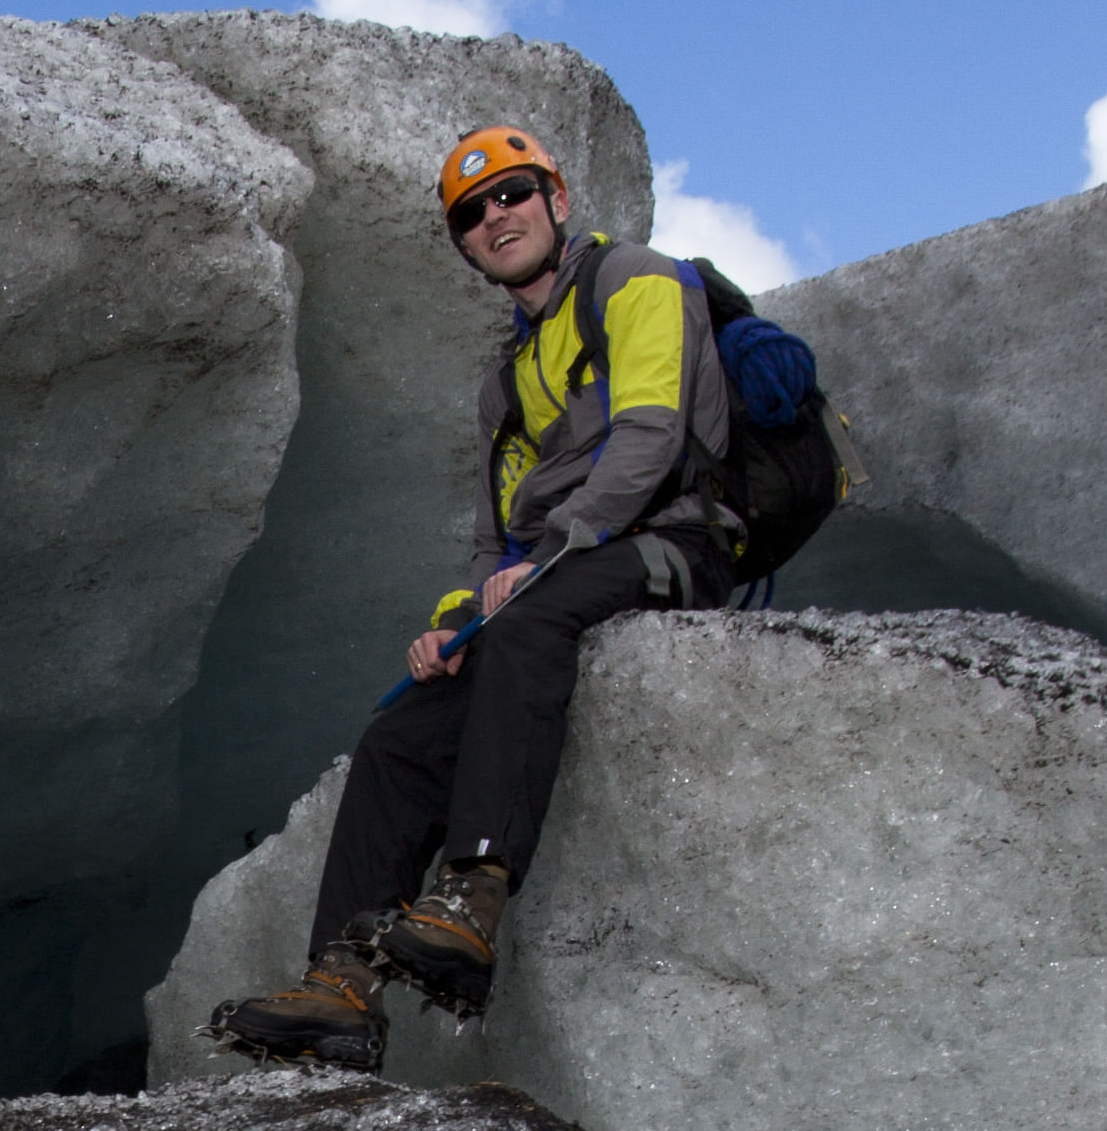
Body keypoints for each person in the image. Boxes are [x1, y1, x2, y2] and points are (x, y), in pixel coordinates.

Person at [220, 118, 736, 1060]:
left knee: (531, 616)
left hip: (667, 542)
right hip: (552, 572)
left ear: (558, 198)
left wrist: (553, 555)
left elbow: (652, 433)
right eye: (471, 212)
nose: (495, 216)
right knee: (400, 735)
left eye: (511, 193)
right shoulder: (507, 378)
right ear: (464, 245)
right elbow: (491, 538)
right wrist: (453, 623)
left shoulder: (639, 281)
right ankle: (341, 982)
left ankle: (471, 899)